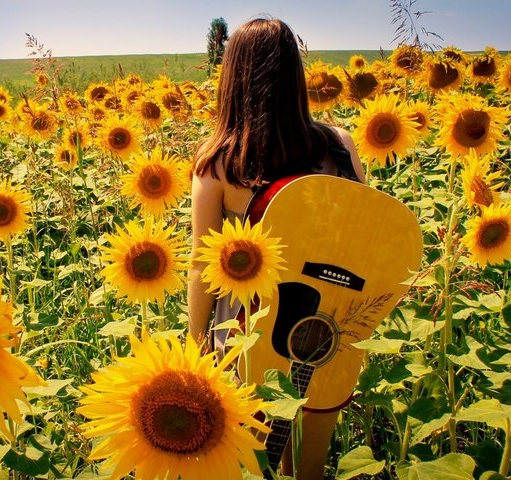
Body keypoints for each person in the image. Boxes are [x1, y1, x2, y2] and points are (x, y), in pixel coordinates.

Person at [187, 16, 367, 480]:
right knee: (308, 465)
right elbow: (368, 236)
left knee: (251, 464)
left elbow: (201, 265)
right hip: (329, 326)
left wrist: (195, 343)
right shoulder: (340, 146)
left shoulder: (218, 163)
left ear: (232, 78)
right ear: (295, 75)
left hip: (249, 334)